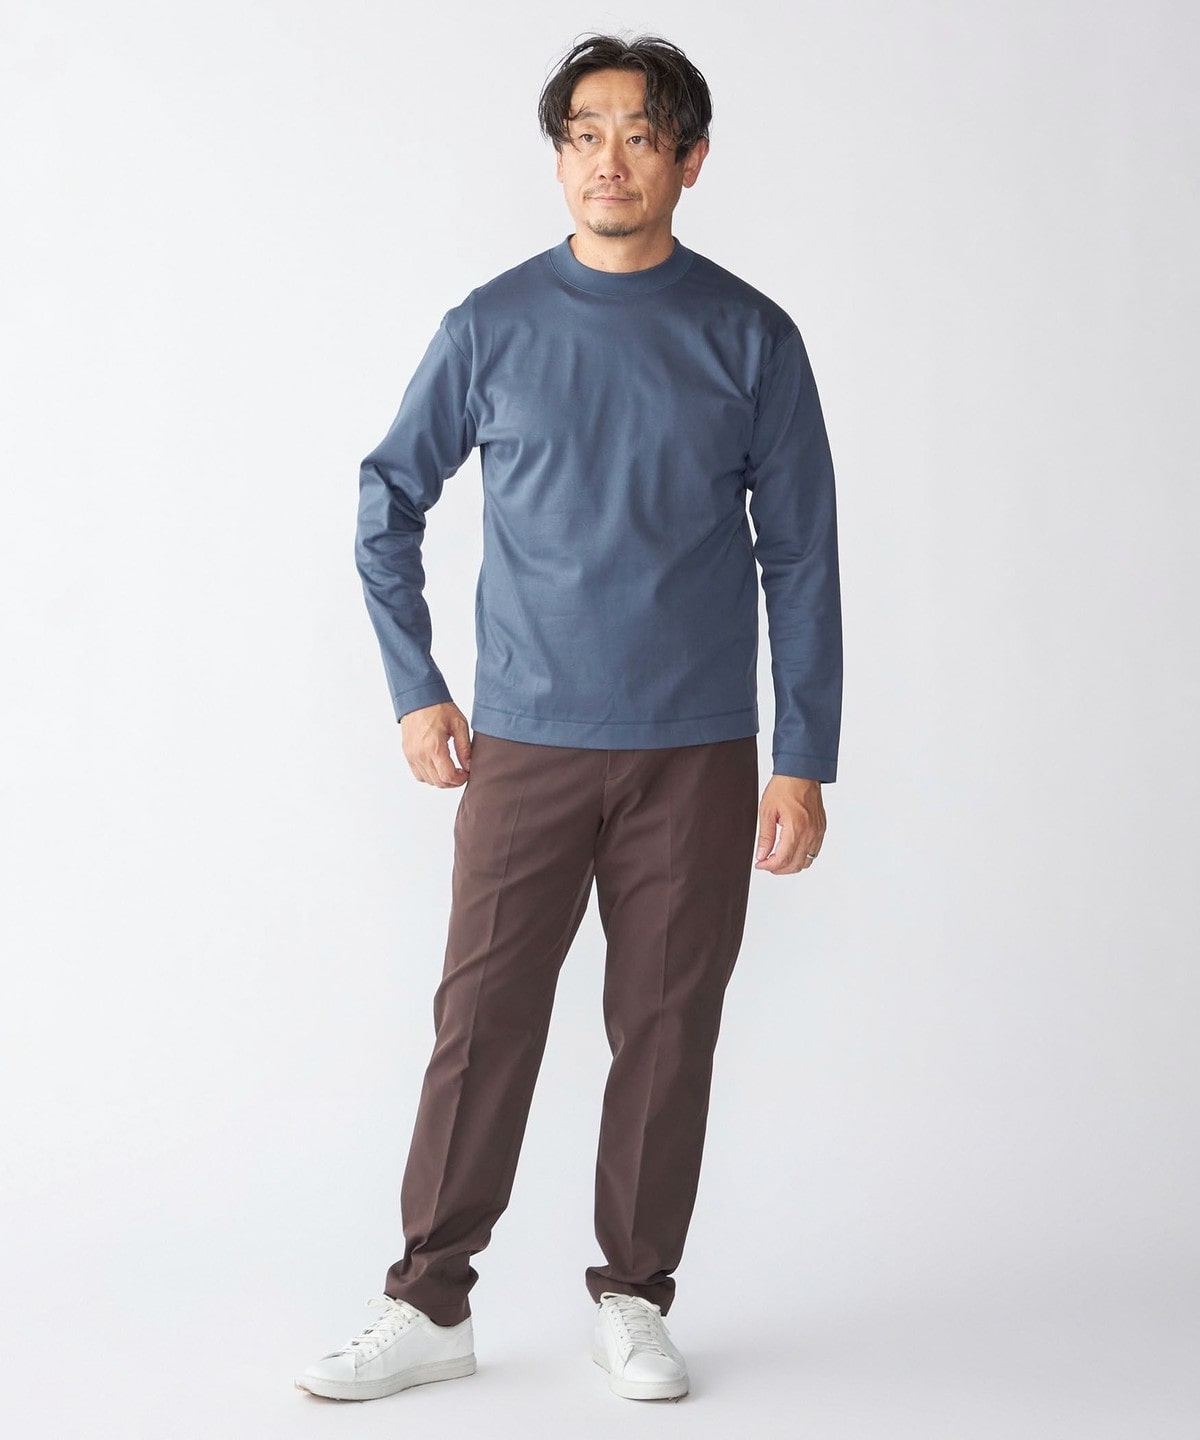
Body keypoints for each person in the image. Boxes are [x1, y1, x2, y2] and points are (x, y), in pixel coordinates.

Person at [297, 31, 842, 1405]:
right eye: (585, 134)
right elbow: (386, 502)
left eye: (641, 135)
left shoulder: (752, 337)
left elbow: (802, 556)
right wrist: (417, 686)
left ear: (690, 161)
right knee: (481, 1021)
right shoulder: (490, 326)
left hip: (696, 752)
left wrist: (802, 755)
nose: (610, 159)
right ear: (557, 159)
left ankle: (636, 1296)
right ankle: (429, 1302)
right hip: (526, 746)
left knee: (666, 1029)